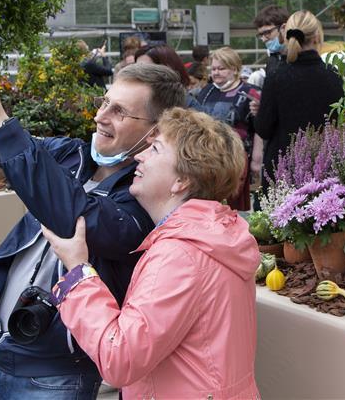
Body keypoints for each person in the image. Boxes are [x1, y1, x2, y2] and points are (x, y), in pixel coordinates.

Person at [0, 25, 186, 400]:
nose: (102, 116)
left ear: (154, 132)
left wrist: (2, 122)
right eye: (105, 102)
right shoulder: (70, 154)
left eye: (120, 111)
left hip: (54, 376)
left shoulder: (141, 203)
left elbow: (72, 213)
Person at [41, 108, 260, 398]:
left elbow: (120, 358)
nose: (139, 157)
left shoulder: (180, 255)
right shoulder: (213, 237)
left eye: (155, 149)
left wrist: (78, 272)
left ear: (181, 181)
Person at [255, 10, 344, 191]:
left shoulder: (277, 76)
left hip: (282, 170)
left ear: (285, 35)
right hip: (323, 167)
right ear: (318, 36)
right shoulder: (333, 75)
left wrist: (258, 112)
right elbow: (340, 122)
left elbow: (263, 128)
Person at [193, 47, 262, 210]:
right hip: (206, 160)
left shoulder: (252, 92)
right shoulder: (206, 91)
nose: (216, 73)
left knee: (232, 207)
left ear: (235, 69)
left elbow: (259, 127)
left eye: (221, 68)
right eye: (214, 68)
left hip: (236, 160)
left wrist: (257, 160)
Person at [253, 4, 290, 87]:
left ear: (284, 28)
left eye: (267, 32)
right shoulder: (272, 60)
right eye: (260, 35)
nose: (263, 39)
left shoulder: (302, 58)